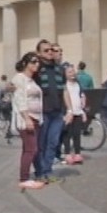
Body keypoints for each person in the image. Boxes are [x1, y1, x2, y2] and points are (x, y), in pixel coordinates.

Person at [33, 39, 66, 184]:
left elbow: (64, 91)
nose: (50, 52)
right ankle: (40, 171)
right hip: (42, 112)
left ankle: (48, 171)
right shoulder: (36, 70)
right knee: (41, 144)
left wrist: (69, 110)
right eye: (46, 50)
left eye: (52, 50)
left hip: (57, 111)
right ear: (39, 53)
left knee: (53, 143)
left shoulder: (59, 69)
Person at [12, 52, 45, 190]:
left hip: (36, 117)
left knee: (29, 148)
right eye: (33, 62)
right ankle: (24, 178)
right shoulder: (20, 78)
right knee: (31, 149)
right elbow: (20, 99)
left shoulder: (33, 80)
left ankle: (28, 175)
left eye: (38, 62)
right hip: (27, 118)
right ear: (25, 63)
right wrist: (27, 118)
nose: (36, 64)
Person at [61, 65, 86, 164]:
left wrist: (83, 102)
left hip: (78, 111)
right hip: (68, 112)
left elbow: (81, 94)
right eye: (70, 72)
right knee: (67, 134)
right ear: (65, 74)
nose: (72, 74)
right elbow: (65, 98)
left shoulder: (77, 84)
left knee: (77, 134)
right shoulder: (65, 85)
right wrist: (68, 111)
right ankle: (67, 154)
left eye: (73, 72)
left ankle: (77, 153)